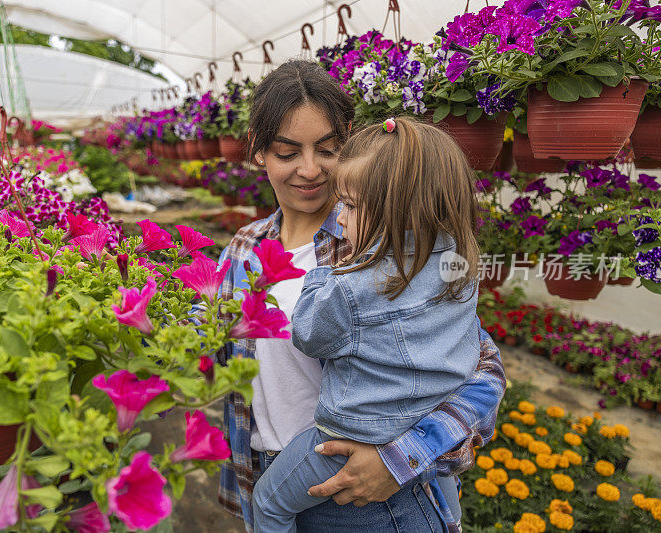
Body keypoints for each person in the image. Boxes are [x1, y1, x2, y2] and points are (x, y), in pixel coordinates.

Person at [215, 59, 505, 533]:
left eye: (326, 150)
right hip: (268, 476)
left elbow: (483, 374)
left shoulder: (389, 245)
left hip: (366, 498)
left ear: (348, 141)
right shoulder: (246, 247)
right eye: (287, 153)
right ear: (258, 152)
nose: (309, 170)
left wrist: (398, 459)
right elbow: (215, 350)